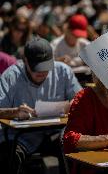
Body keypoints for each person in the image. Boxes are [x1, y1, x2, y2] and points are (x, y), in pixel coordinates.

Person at [0, 37, 82, 173]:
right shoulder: (11, 76)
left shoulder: (63, 71)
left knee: (72, 143)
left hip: (55, 133)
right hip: (21, 137)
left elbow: (81, 98)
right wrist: (14, 112)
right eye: (37, 68)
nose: (42, 73)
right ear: (25, 61)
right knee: (8, 155)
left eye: (46, 67)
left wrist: (73, 104)